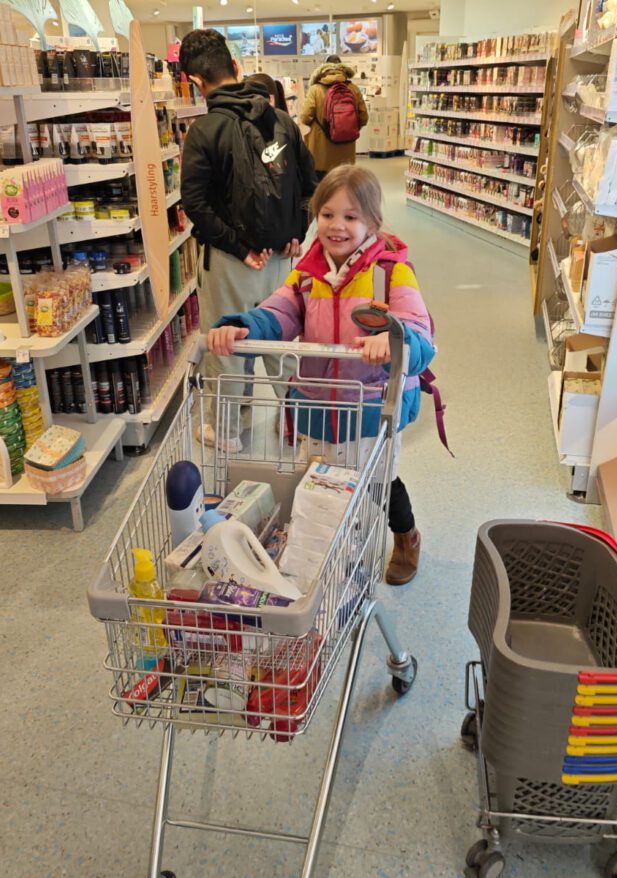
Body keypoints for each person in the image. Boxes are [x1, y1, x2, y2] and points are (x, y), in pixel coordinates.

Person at [207, 165, 434, 585]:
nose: (337, 226)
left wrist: (393, 341)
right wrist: (245, 326)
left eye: (351, 216)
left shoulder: (390, 273)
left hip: (369, 408)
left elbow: (421, 333)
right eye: (327, 214)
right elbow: (279, 312)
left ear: (373, 222)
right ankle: (321, 551)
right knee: (315, 483)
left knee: (377, 483)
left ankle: (406, 536)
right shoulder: (306, 274)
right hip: (315, 404)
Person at [177, 29, 316, 451]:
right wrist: (296, 232)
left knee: (228, 345)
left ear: (196, 82)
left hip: (230, 262)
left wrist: (239, 248)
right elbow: (310, 183)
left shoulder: (204, 131)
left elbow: (195, 204)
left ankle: (227, 432)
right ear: (235, 67)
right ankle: (294, 422)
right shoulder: (282, 121)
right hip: (280, 258)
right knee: (278, 337)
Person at [299, 55, 368, 181]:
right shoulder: (353, 89)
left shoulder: (315, 89)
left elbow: (304, 117)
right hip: (346, 153)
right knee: (344, 188)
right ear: (342, 68)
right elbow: (364, 117)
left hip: (321, 155)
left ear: (323, 69)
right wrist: (346, 127)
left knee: (323, 191)